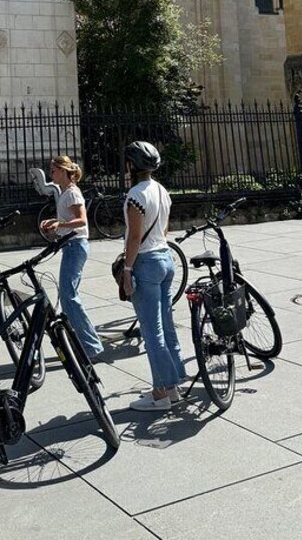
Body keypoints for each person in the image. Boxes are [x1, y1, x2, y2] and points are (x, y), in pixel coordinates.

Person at [122, 141, 187, 411]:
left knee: (152, 331)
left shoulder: (135, 195)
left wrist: (127, 270)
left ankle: (161, 394)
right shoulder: (162, 190)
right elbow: (165, 228)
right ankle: (174, 386)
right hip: (166, 259)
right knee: (166, 325)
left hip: (146, 262)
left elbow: (135, 237)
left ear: (131, 166)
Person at [40, 155, 105, 361]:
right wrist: (54, 222)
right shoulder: (66, 193)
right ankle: (77, 341)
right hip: (70, 245)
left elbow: (81, 220)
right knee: (68, 296)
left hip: (76, 246)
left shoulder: (73, 193)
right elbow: (68, 219)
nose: (51, 174)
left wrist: (59, 225)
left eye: (53, 171)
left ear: (63, 171)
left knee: (69, 296)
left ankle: (91, 346)